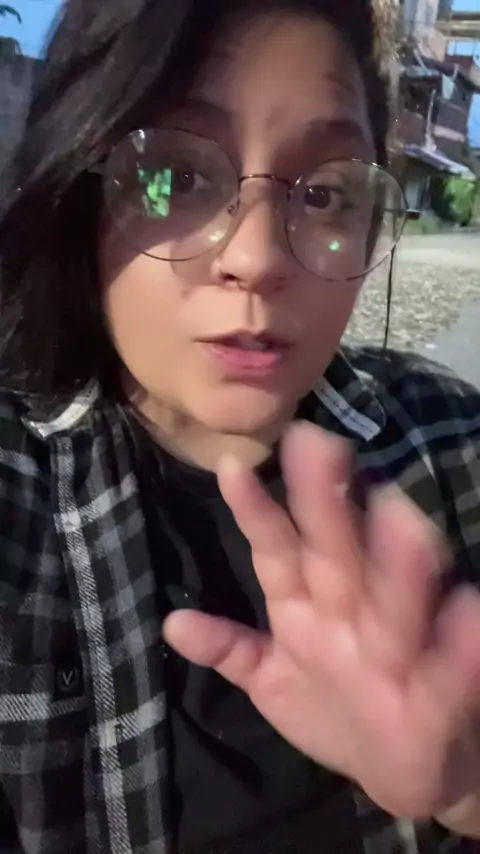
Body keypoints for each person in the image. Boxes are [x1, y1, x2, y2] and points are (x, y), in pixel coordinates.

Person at [0, 0, 479, 851]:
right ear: (81, 193)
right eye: (176, 178)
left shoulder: (455, 446)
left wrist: (466, 788)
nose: (256, 258)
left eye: (325, 193)